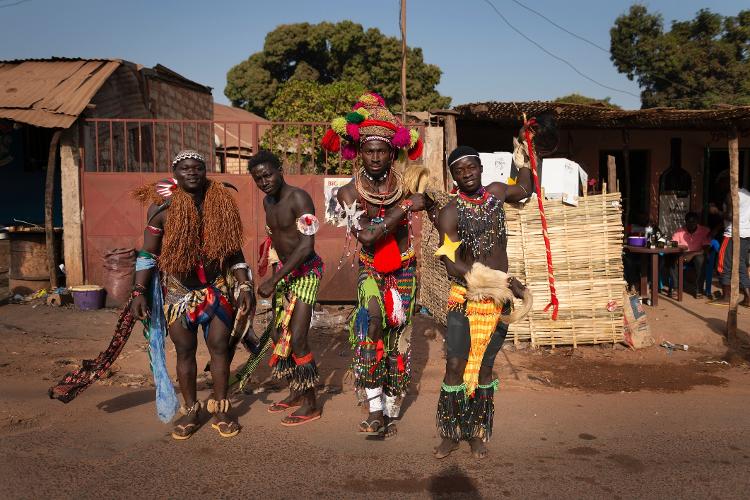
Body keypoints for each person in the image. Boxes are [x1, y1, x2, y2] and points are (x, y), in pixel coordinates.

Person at [430, 116, 555, 460]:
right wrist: (488, 280)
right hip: (466, 298)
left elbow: (527, 189)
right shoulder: (450, 213)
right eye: (460, 170)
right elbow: (449, 260)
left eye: (472, 167)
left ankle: (476, 433)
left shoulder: (498, 193)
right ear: (453, 176)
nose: (467, 173)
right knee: (455, 365)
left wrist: (524, 153)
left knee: (485, 368)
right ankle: (450, 433)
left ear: (481, 167)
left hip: (498, 301)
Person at [322, 91, 429, 438]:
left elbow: (429, 198)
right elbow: (366, 237)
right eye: (369, 151)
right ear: (361, 152)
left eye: (382, 150)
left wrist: (422, 201)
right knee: (371, 322)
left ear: (392, 152)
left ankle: (392, 398)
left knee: (399, 332)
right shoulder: (348, 193)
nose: (376, 157)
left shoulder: (406, 183)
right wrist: (402, 210)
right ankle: (374, 408)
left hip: (404, 267)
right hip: (371, 268)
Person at [130, 150, 254, 440]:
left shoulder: (221, 202)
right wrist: (138, 291)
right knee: (185, 351)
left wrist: (244, 284)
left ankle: (222, 409)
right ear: (175, 173)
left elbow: (234, 250)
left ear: (205, 170)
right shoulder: (161, 209)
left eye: (197, 168)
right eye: (185, 168)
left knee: (219, 346)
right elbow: (148, 253)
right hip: (178, 292)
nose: (192, 173)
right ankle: (191, 409)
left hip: (216, 287)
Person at [249, 150, 324, 426]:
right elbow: (277, 240)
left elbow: (306, 247)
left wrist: (274, 279)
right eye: (258, 179)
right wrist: (275, 274)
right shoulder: (268, 201)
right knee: (280, 334)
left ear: (280, 170)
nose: (265, 181)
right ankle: (296, 391)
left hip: (306, 273)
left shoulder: (299, 198)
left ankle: (311, 403)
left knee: (299, 338)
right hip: (285, 274)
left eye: (268, 175)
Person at [714, 186, 750, 307]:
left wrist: (716, 211)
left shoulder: (732, 194)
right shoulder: (746, 193)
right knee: (741, 265)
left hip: (732, 234)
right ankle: (748, 297)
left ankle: (726, 296)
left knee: (724, 264)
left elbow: (730, 216)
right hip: (746, 234)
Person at [666, 212, 711, 298]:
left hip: (697, 254)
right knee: (671, 257)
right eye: (689, 222)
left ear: (697, 221)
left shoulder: (704, 231)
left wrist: (692, 254)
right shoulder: (679, 231)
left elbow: (706, 249)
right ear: (685, 222)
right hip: (682, 255)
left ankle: (699, 289)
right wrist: (682, 254)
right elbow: (672, 245)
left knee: (700, 259)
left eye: (693, 222)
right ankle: (676, 288)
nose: (691, 224)